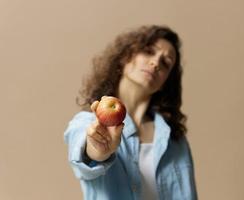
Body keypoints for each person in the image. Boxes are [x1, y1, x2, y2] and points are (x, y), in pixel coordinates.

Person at [64, 25, 198, 200]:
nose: (156, 62)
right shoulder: (88, 122)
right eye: (149, 51)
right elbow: (86, 159)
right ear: (124, 58)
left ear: (165, 82)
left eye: (165, 63)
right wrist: (100, 149)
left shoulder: (175, 139)